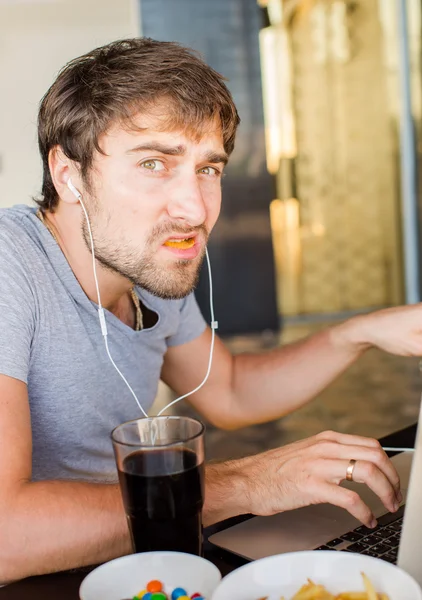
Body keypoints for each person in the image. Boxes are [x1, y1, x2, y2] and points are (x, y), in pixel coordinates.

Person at [0, 37, 420, 582]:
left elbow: (230, 389)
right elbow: (6, 533)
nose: (194, 209)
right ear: (69, 174)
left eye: (209, 169)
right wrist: (247, 483)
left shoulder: (144, 264)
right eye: (155, 163)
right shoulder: (11, 267)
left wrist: (356, 333)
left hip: (129, 564)